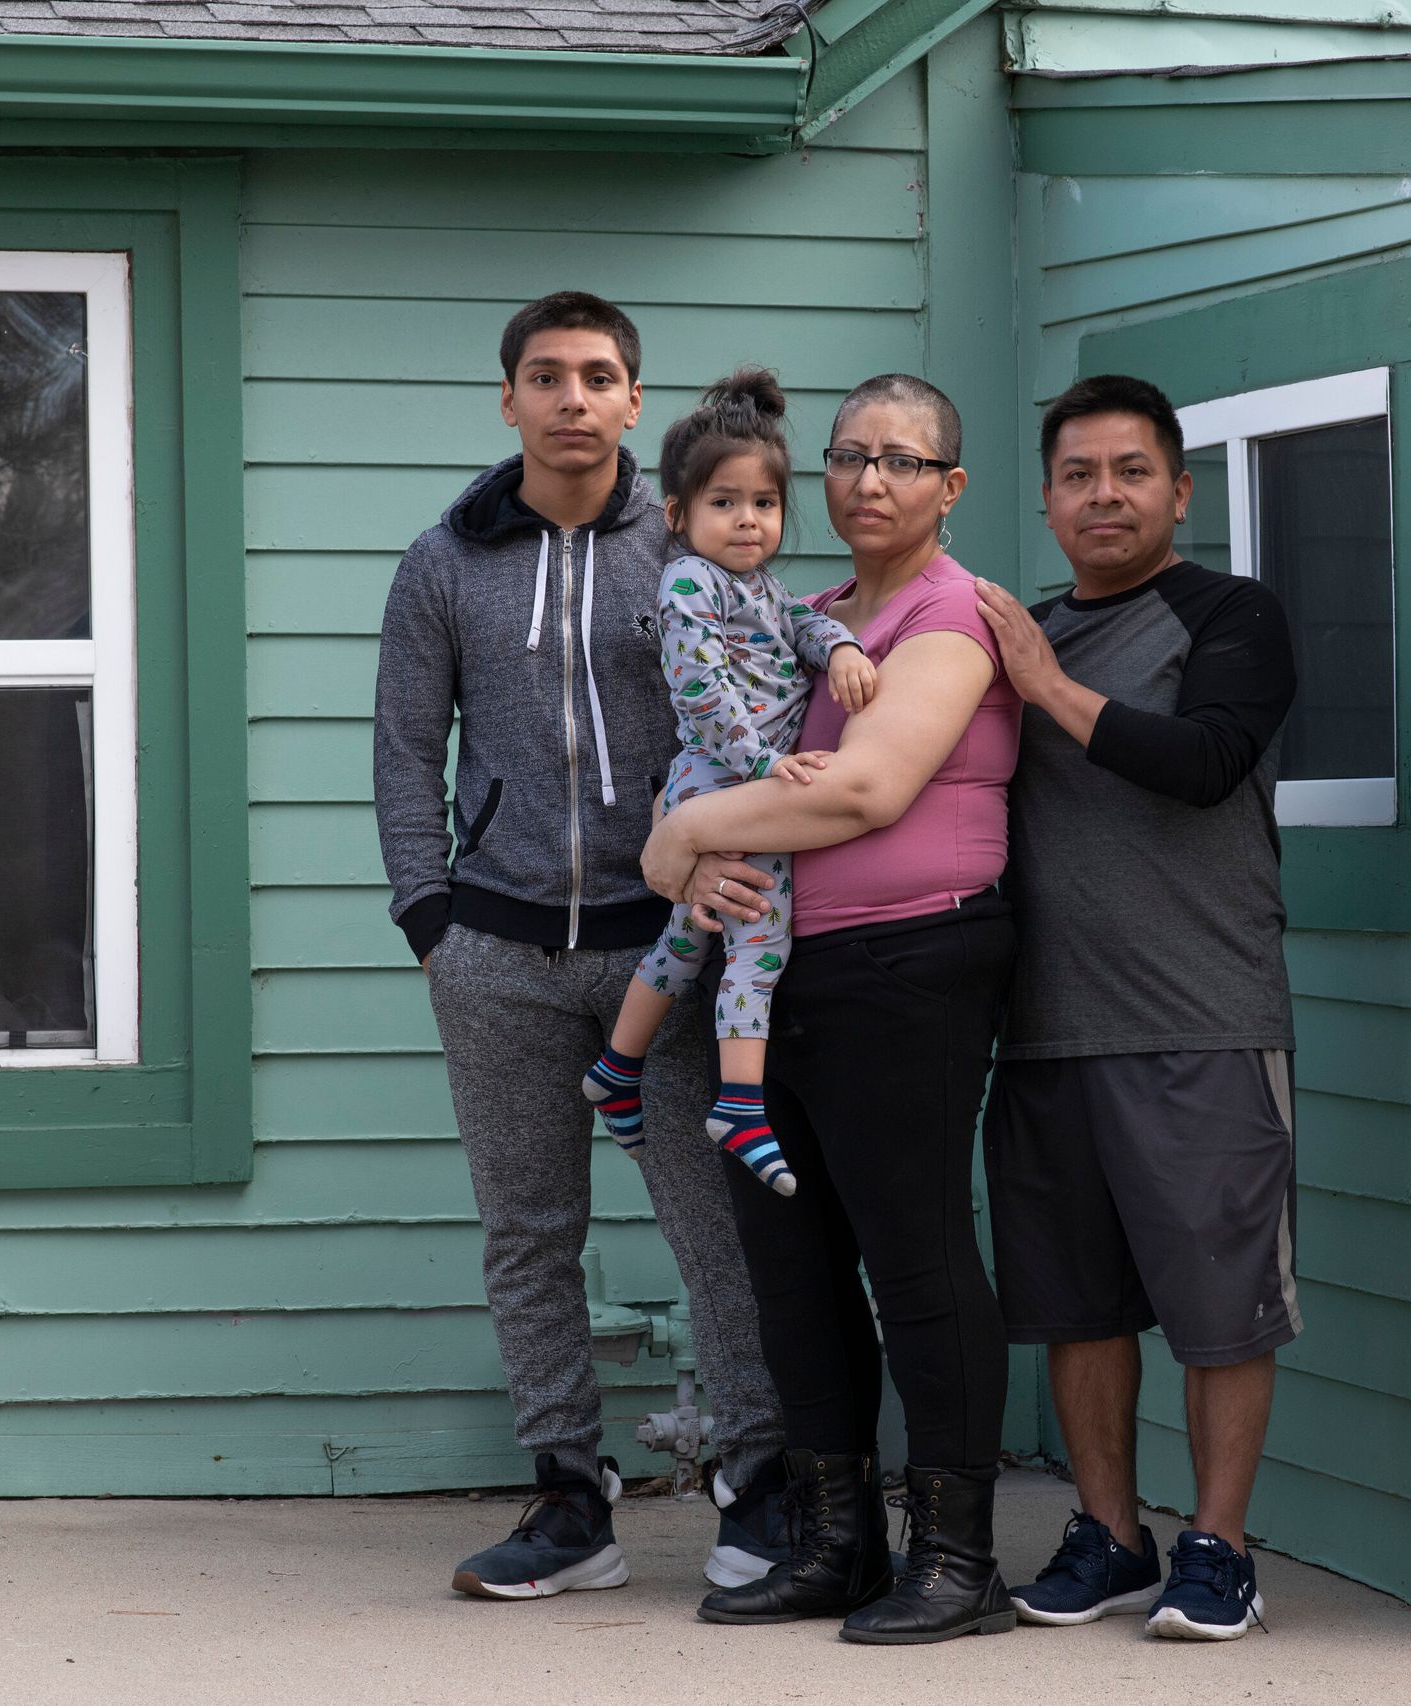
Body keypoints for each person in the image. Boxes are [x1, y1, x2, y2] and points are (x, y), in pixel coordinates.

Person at [373, 292, 789, 1601]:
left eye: (597, 376)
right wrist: (428, 919)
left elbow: (752, 708)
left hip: (661, 948)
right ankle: (570, 1495)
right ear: (510, 400)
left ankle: (758, 1480)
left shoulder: (681, 553)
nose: (570, 397)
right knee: (527, 1231)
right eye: (544, 375)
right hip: (493, 953)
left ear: (631, 402)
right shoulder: (444, 560)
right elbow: (402, 749)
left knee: (708, 1217)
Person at [641, 373, 1023, 1646]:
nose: (870, 480)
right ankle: (834, 1538)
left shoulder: (946, 616)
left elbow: (860, 792)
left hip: (911, 968)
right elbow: (688, 800)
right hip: (778, 974)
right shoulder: (794, 616)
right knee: (791, 1273)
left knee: (913, 1257)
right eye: (851, 456)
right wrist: (677, 852)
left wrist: (684, 837)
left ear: (948, 488)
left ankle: (958, 1556)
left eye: (903, 461)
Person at [971, 373, 1299, 1642]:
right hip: (1046, 1022)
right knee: (1075, 1302)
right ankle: (1109, 1535)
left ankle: (1217, 1546)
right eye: (1077, 475)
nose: (1103, 494)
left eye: (1129, 471)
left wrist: (1047, 686)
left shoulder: (1230, 614)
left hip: (1201, 1013)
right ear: (1048, 500)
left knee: (1222, 1305)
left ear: (1178, 488)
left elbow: (1205, 762)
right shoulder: (1019, 636)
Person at [582, 368, 877, 1199]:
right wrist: (762, 767)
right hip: (724, 783)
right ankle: (740, 1105)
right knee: (761, 941)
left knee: (685, 941)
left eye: (764, 504)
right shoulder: (687, 583)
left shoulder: (762, 590)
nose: (748, 520)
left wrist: (843, 648)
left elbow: (808, 621)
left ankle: (616, 1067)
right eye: (724, 502)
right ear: (677, 516)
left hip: (730, 788)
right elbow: (699, 684)